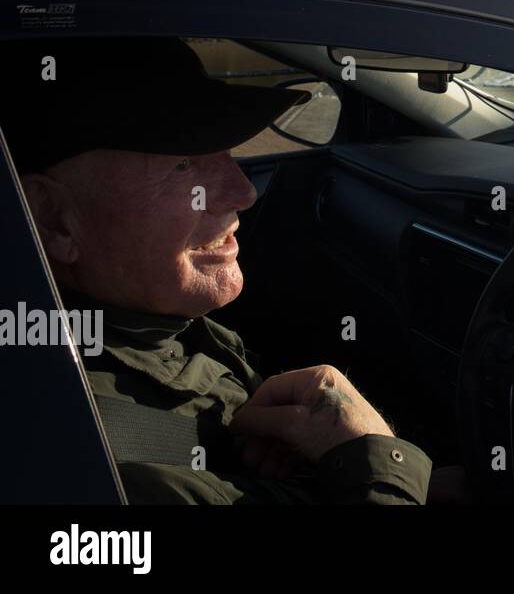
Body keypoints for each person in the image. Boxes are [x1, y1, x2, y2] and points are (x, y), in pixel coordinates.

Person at [1, 37, 438, 503]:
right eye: (184, 165)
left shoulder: (150, 321)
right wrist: (375, 459)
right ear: (52, 219)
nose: (243, 192)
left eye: (226, 151)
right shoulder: (116, 468)